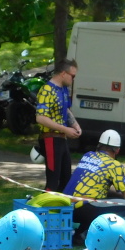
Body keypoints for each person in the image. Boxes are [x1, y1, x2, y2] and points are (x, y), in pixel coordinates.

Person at [65, 130, 125, 240]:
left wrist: (117, 196)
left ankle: (79, 234)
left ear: (98, 146)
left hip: (66, 208)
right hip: (85, 209)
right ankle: (91, 233)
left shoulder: (88, 156)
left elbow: (94, 187)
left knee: (103, 200)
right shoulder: (115, 165)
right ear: (117, 150)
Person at [36, 59, 82, 193]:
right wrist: (65, 129)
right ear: (63, 73)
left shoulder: (63, 90)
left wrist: (75, 125)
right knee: (53, 181)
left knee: (66, 179)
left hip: (62, 139)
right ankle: (44, 205)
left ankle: (61, 205)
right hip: (50, 138)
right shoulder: (47, 90)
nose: (73, 79)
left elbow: (66, 109)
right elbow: (40, 117)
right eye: (72, 76)